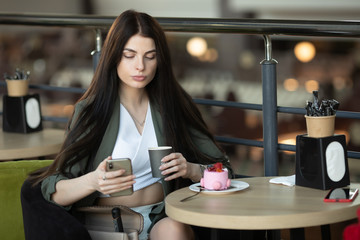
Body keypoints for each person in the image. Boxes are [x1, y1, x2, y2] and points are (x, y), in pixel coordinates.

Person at [26, 9, 233, 240]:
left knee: (175, 231)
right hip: (109, 225)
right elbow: (54, 190)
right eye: (130, 55)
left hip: (161, 216)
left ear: (159, 59)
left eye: (150, 56)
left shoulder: (174, 104)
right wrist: (94, 180)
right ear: (115, 56)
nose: (140, 66)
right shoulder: (92, 110)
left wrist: (192, 170)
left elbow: (224, 170)